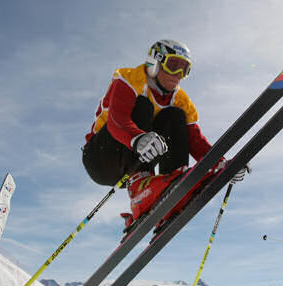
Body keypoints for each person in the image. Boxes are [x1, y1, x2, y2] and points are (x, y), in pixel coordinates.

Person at [82, 39, 249, 231]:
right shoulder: (130, 80)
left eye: (185, 70)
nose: (178, 75)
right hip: (102, 158)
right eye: (173, 66)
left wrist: (222, 165)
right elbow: (117, 120)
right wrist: (138, 138)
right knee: (143, 105)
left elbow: (196, 141)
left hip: (137, 158)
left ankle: (172, 188)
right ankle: (139, 191)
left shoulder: (180, 100)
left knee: (175, 115)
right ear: (155, 63)